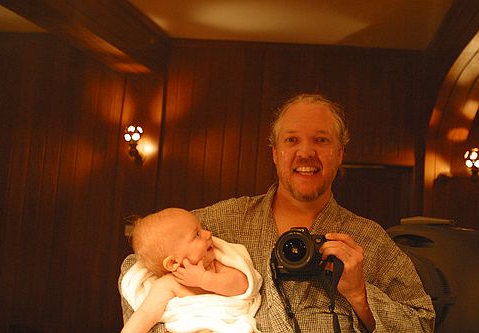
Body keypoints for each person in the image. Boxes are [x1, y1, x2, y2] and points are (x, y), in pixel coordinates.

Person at [119, 93, 435, 332]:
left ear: (340, 154)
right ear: (275, 153)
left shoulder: (368, 240)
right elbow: (139, 262)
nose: (306, 152)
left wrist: (360, 294)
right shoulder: (223, 221)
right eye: (292, 139)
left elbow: (422, 322)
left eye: (321, 140)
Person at [120, 208, 262, 333]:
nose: (208, 234)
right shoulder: (167, 285)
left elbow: (242, 285)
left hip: (226, 325)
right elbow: (145, 314)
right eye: (197, 235)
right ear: (173, 262)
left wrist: (204, 279)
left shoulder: (214, 265)